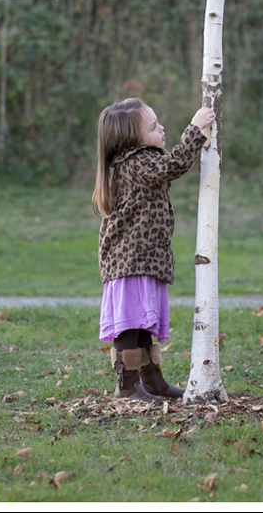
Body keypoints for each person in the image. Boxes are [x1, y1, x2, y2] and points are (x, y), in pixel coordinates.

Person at [92, 98, 214, 402]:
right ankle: (128, 386)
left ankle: (152, 381)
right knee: (131, 326)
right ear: (133, 139)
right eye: (152, 126)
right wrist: (195, 129)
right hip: (131, 259)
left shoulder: (136, 160)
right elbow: (174, 165)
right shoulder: (138, 161)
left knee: (142, 323)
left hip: (142, 258)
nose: (161, 128)